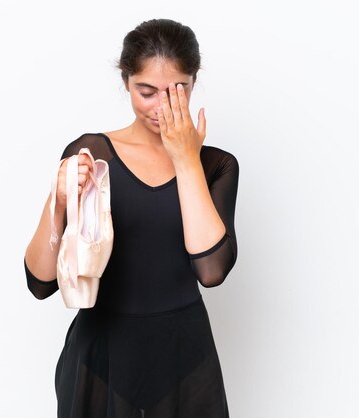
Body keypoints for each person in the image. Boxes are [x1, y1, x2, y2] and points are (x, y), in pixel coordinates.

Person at [23, 18, 239, 417]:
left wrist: (186, 158)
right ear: (126, 83)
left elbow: (211, 270)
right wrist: (57, 202)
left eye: (177, 91)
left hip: (185, 360)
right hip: (102, 357)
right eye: (147, 92)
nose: (162, 107)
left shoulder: (216, 166)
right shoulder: (92, 154)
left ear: (195, 82)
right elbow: (40, 283)